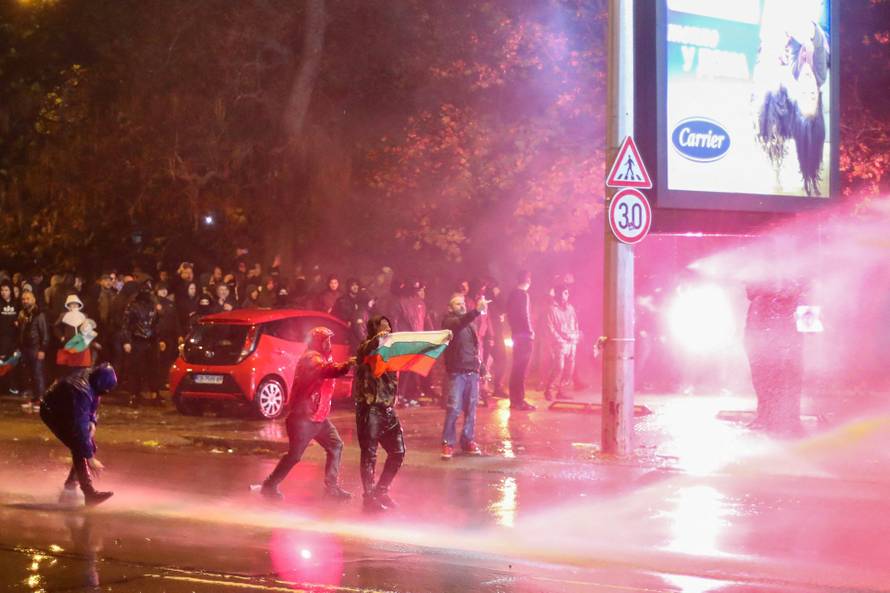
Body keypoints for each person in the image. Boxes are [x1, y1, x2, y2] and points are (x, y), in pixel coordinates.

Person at [259, 327, 355, 501]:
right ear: (318, 342)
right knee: (294, 456)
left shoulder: (321, 357)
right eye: (326, 340)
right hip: (303, 419)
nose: (329, 344)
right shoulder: (312, 358)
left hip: (316, 417)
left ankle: (331, 488)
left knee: (335, 445)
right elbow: (329, 370)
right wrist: (348, 364)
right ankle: (269, 485)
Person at [39, 363, 117, 506]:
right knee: (79, 447)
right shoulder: (81, 390)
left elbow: (94, 400)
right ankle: (88, 492)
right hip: (52, 411)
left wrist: (92, 421)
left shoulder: (93, 379)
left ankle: (71, 486)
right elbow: (80, 430)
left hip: (67, 407)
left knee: (86, 446)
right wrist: (90, 458)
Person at [353, 315, 404, 512]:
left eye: (389, 328)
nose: (388, 332)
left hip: (388, 410)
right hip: (370, 410)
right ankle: (369, 497)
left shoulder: (391, 353)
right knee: (369, 455)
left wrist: (441, 338)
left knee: (398, 452)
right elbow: (366, 349)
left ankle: (381, 490)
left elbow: (415, 346)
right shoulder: (366, 349)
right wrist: (379, 338)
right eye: (383, 329)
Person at [744, 280, 805, 436]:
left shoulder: (799, 264)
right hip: (761, 317)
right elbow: (751, 289)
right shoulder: (760, 264)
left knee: (789, 368)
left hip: (790, 316)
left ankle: (789, 418)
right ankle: (765, 414)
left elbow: (807, 285)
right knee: (761, 368)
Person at [440, 294, 486, 459]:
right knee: (454, 408)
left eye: (463, 303)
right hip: (457, 373)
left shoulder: (470, 324)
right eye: (457, 304)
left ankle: (467, 441)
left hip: (471, 372)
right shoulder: (449, 323)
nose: (462, 306)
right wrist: (476, 311)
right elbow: (459, 323)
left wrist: (481, 367)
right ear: (450, 308)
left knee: (471, 409)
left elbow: (475, 348)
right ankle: (448, 443)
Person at [122, 282, 161, 405]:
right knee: (136, 369)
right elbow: (126, 325)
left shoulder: (153, 307)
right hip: (137, 339)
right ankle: (134, 394)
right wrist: (127, 341)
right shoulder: (133, 306)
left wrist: (159, 339)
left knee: (153, 368)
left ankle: (155, 394)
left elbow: (156, 324)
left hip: (151, 340)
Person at [544, 285, 581, 401]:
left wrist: (575, 336)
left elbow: (575, 323)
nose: (565, 295)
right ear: (557, 294)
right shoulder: (551, 309)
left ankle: (561, 391)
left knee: (569, 368)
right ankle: (549, 390)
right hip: (559, 343)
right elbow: (550, 328)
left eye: (566, 293)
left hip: (571, 342)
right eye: (563, 293)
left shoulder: (570, 308)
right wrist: (559, 340)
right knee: (559, 367)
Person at [506, 271, 536, 411]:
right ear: (528, 281)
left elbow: (509, 315)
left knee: (516, 368)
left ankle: (514, 400)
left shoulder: (512, 295)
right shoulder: (524, 295)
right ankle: (520, 400)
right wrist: (530, 332)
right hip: (525, 336)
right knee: (522, 369)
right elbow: (525, 315)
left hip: (516, 335)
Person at [18, 290, 48, 412]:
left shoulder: (39, 314)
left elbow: (45, 334)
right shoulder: (22, 314)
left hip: (35, 348)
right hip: (25, 348)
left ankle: (40, 399)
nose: (25, 301)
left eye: (28, 298)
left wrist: (42, 349)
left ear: (33, 299)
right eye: (23, 299)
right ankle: (33, 398)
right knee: (29, 375)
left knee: (38, 375)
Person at [0, 280, 19, 393]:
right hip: (2, 339)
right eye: (1, 290)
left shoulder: (16, 304)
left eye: (6, 290)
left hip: (14, 340)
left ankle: (12, 386)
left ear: (11, 291)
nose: (3, 292)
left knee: (12, 364)